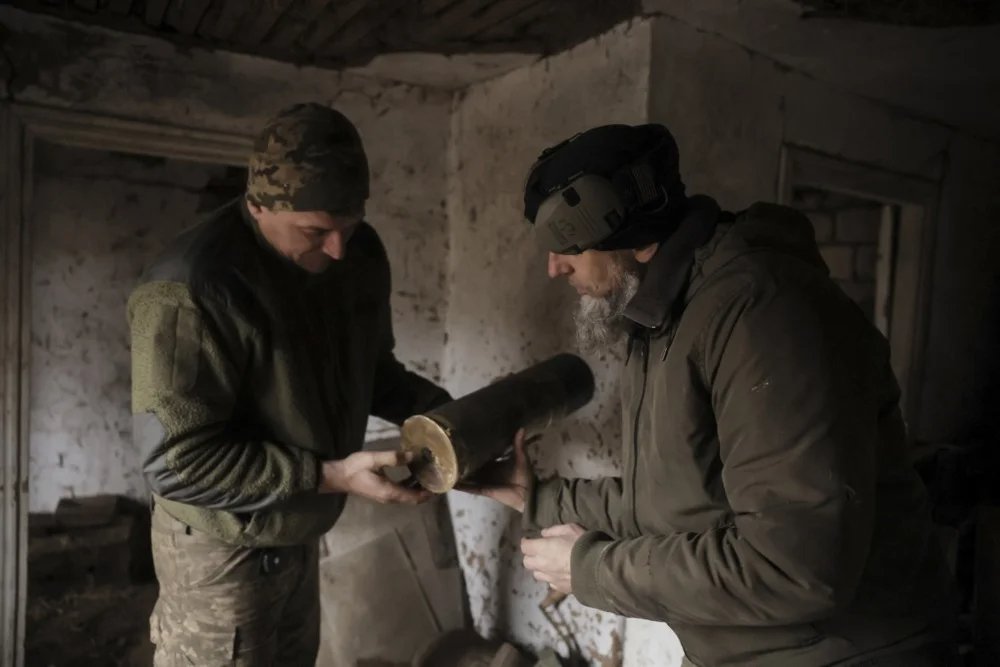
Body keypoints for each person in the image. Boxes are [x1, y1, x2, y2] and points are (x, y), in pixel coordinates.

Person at [466, 124, 957, 666]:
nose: (554, 266)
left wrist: (589, 570)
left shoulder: (758, 313)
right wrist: (535, 496)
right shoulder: (664, 316)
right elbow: (678, 499)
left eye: (566, 244)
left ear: (613, 221)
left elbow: (793, 567)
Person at [128, 103, 451, 665]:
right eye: (315, 231)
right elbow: (176, 463)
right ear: (257, 207)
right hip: (218, 551)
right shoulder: (192, 287)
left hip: (299, 530)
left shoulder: (360, 255)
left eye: (349, 226)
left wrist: (455, 421)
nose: (338, 250)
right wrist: (326, 475)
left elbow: (373, 374)